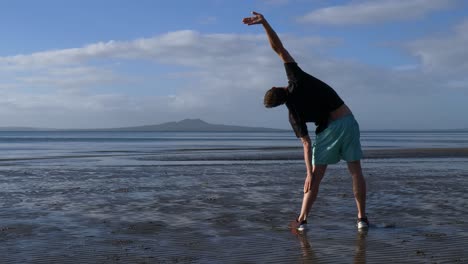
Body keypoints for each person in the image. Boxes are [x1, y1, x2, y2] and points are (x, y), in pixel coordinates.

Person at [242, 11, 368, 230]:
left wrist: (308, 173)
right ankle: (361, 219)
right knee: (355, 170)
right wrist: (264, 23)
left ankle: (302, 221)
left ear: (279, 103)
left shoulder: (293, 115)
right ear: (276, 87)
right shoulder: (296, 79)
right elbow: (278, 49)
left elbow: (306, 143)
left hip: (327, 132)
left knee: (315, 179)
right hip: (346, 120)